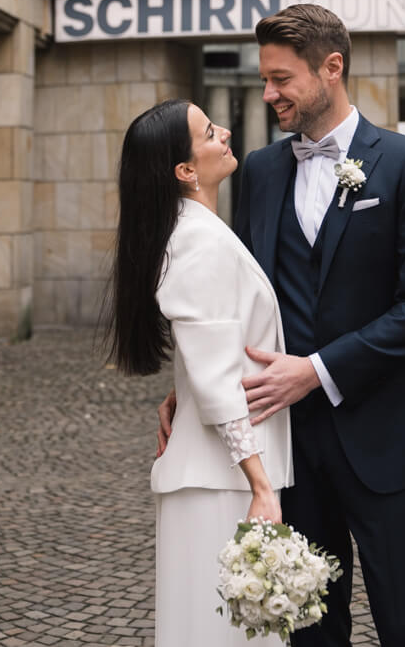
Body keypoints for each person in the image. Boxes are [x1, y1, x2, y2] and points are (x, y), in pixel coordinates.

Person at [161, 4, 405, 646]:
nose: (268, 94)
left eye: (282, 79)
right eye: (264, 79)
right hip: (289, 443)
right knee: (310, 627)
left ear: (332, 68)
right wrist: (191, 386)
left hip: (389, 437)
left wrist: (317, 370)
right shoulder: (261, 171)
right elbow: (238, 300)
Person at [105, 98, 292, 647]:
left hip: (218, 475)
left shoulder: (196, 231)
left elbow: (208, 354)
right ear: (185, 171)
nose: (226, 132)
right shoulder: (198, 241)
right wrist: (260, 487)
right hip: (222, 480)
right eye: (210, 132)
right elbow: (216, 379)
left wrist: (180, 386)